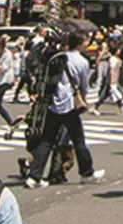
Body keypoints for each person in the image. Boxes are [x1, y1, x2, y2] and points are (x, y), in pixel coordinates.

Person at [24, 33, 104, 188]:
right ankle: (86, 172)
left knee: (47, 140)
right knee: (78, 139)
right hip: (69, 105)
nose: (88, 43)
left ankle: (34, 177)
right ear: (80, 43)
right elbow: (83, 85)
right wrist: (83, 99)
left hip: (53, 103)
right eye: (86, 41)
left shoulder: (58, 57)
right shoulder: (82, 61)